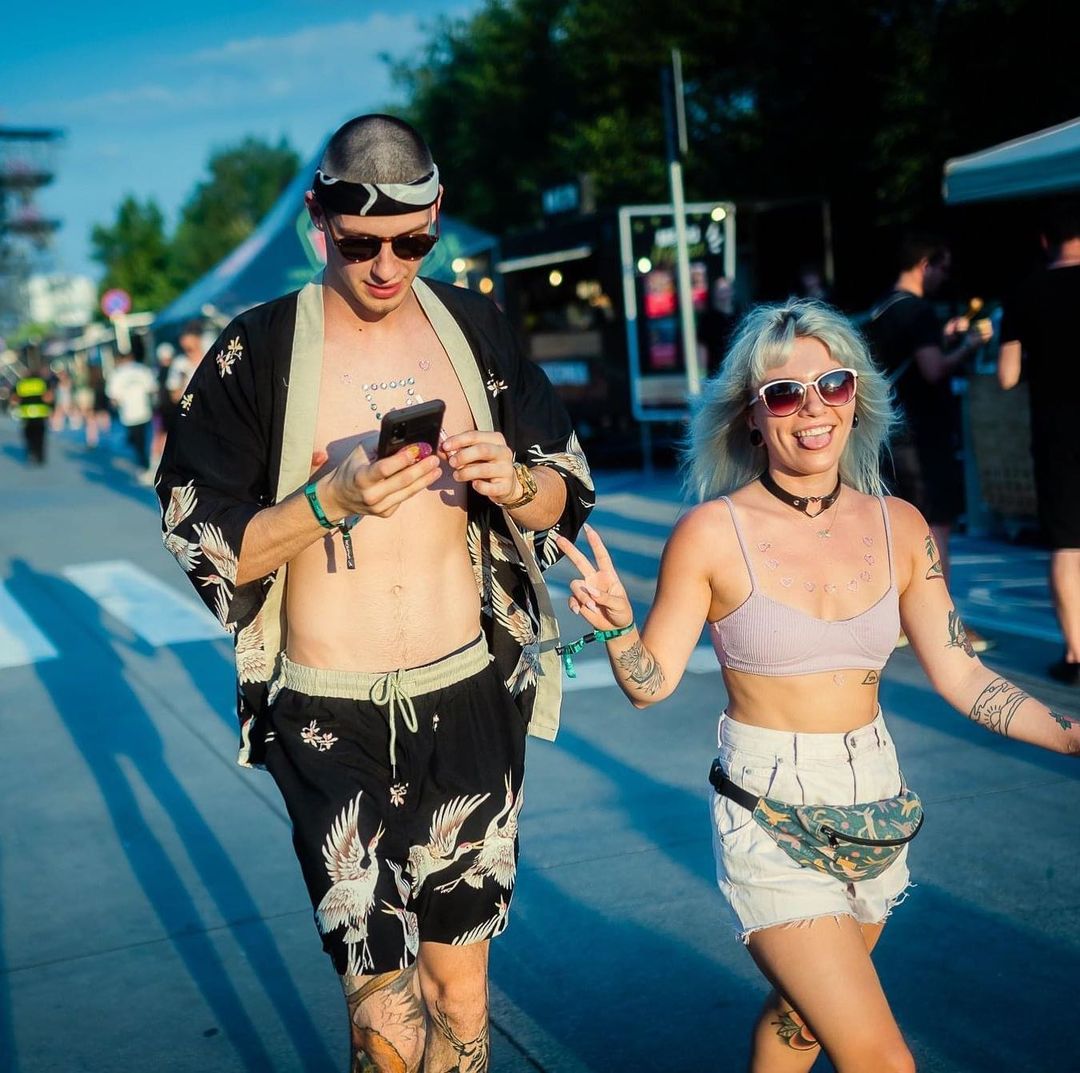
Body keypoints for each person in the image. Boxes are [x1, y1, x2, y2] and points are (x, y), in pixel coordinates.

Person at [156, 113, 593, 1072]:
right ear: (319, 218)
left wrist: (516, 481)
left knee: (461, 997)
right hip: (330, 715)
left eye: (412, 242)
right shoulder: (256, 351)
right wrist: (328, 500)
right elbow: (202, 535)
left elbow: (565, 490)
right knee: (382, 1019)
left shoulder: (475, 327)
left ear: (436, 216)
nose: (387, 266)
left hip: (468, 695)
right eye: (360, 244)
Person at [555, 299, 1078, 1073]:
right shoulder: (711, 532)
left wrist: (1068, 735)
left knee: (801, 1019)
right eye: (784, 394)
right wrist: (621, 630)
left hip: (876, 798)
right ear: (752, 414)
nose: (813, 408)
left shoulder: (902, 526)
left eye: (832, 384)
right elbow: (649, 685)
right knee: (882, 1058)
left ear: (855, 395)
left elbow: (962, 671)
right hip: (767, 807)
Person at [865, 233, 993, 650]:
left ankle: (903, 621)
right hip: (924, 435)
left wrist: (945, 338)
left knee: (899, 529)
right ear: (925, 265)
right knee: (934, 529)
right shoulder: (919, 311)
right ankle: (940, 623)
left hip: (889, 434)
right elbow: (933, 369)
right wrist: (968, 346)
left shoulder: (882, 308)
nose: (944, 276)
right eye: (942, 268)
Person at [998, 205, 1080, 686]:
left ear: (1046, 241)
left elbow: (1007, 376)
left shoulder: (1027, 292)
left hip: (1057, 431)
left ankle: (1074, 653)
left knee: (1068, 543)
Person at [106, 350, 158, 482]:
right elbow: (152, 389)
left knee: (138, 441)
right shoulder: (142, 370)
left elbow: (113, 397)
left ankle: (144, 465)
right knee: (144, 439)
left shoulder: (117, 374)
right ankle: (145, 464)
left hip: (129, 414)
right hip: (143, 411)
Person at [14, 360, 53, 464]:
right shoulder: (42, 382)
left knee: (28, 436)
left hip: (26, 415)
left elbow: (15, 399)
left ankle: (31, 453)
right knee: (40, 437)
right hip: (40, 414)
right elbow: (48, 397)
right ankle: (40, 456)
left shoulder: (21, 383)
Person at [166, 323, 206, 408]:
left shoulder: (209, 358)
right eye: (182, 339)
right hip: (191, 409)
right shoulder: (179, 363)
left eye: (187, 337)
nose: (183, 342)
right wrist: (182, 380)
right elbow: (175, 397)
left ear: (197, 339)